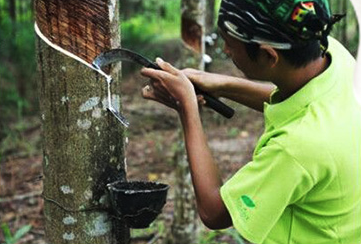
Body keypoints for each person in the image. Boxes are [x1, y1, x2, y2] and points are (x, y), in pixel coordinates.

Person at [140, 0, 361, 243]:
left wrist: (187, 108)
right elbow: (300, 104)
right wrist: (223, 85)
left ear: (268, 55)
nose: (225, 50)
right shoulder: (334, 56)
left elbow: (215, 213)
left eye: (230, 44)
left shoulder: (298, 148)